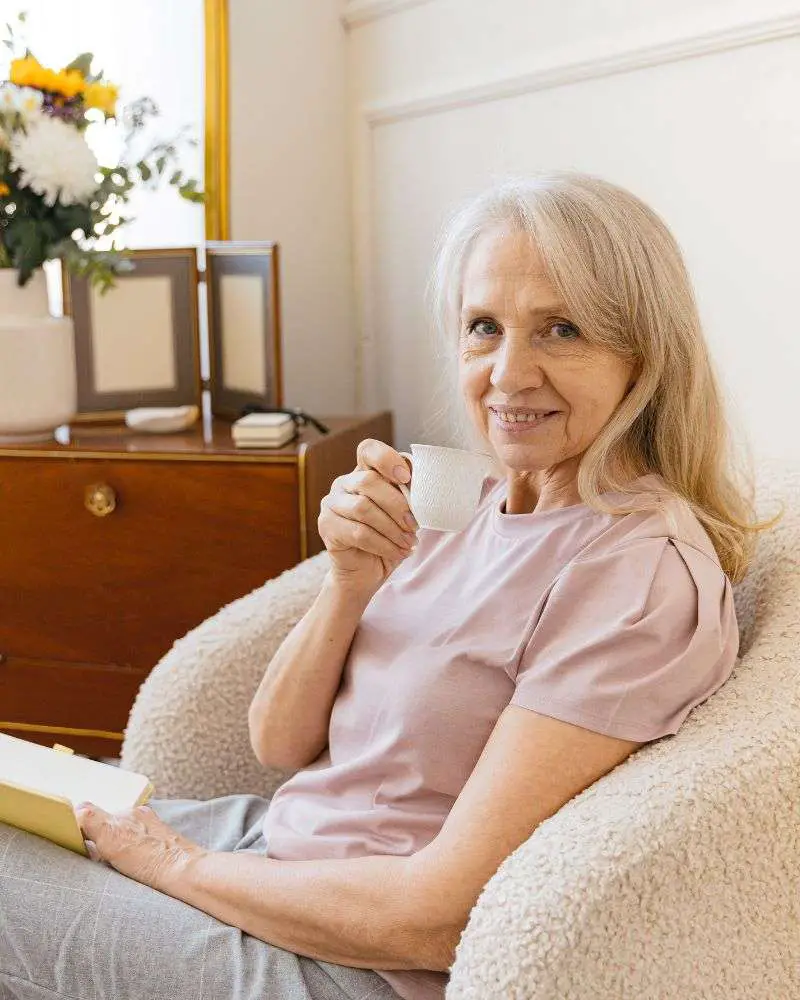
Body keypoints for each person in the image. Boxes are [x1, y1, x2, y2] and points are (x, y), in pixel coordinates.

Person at [0, 172, 776, 1000]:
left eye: (561, 329)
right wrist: (348, 583)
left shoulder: (633, 572)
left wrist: (175, 865)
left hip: (352, 961)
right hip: (275, 853)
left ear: (645, 355)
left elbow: (437, 918)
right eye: (484, 329)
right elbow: (278, 744)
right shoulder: (465, 501)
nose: (509, 375)